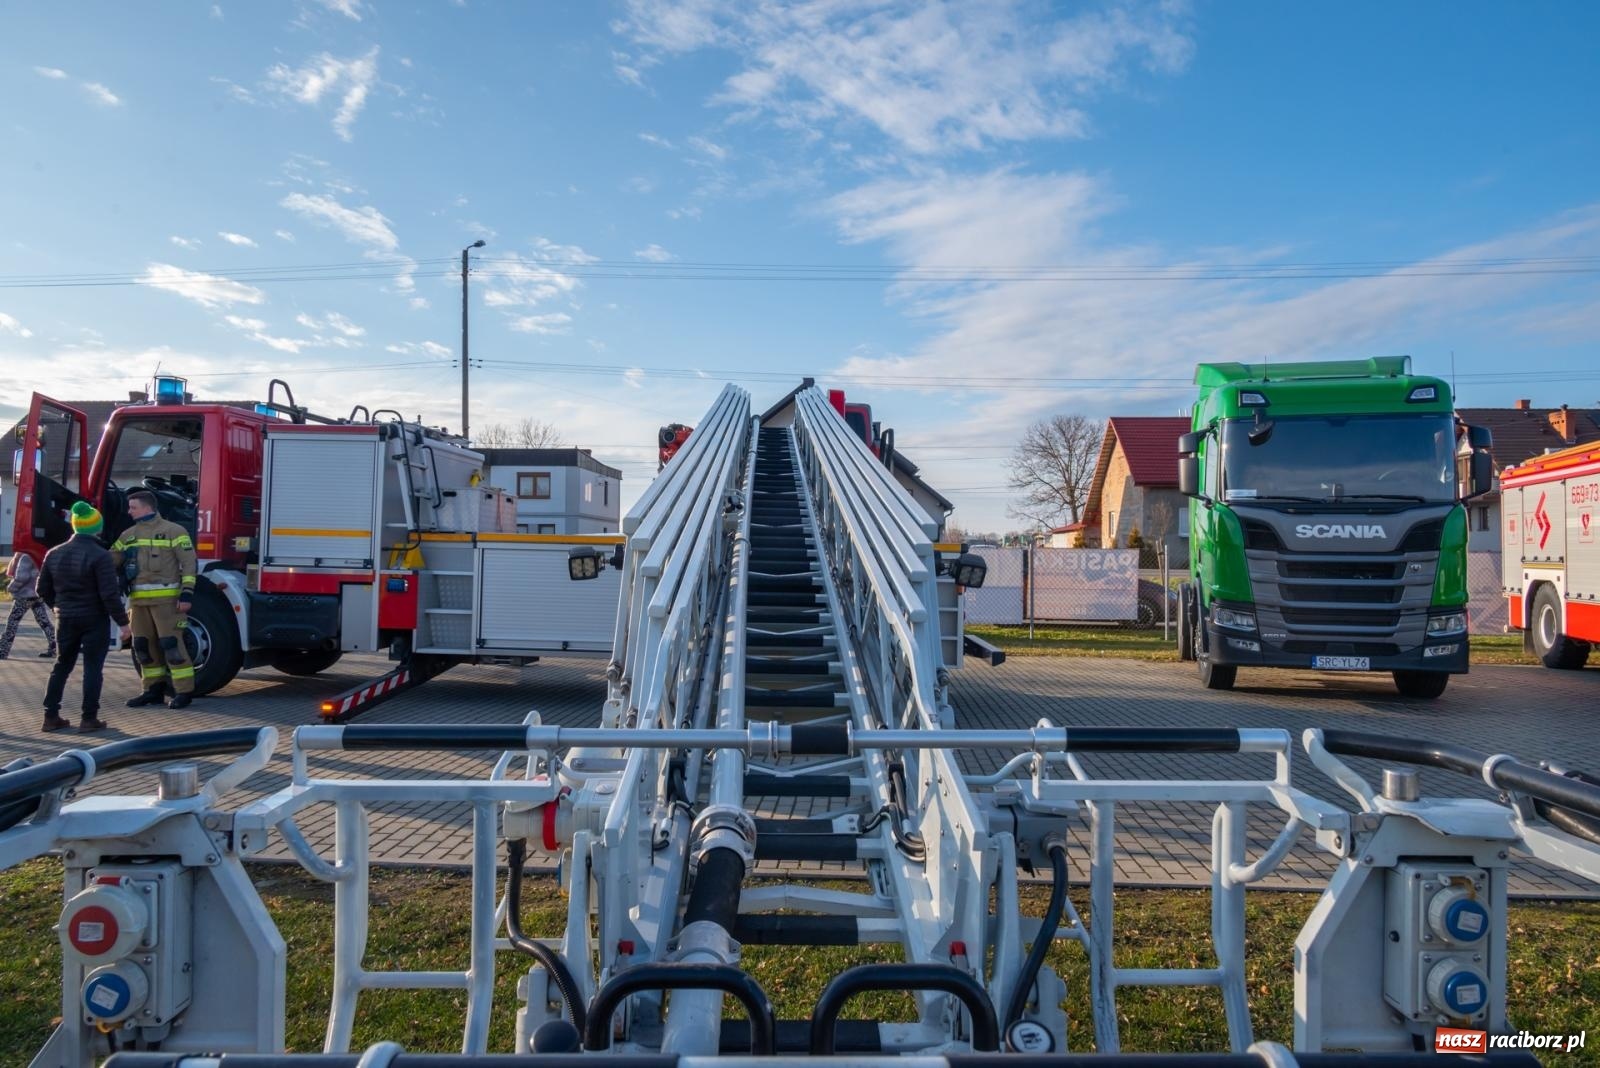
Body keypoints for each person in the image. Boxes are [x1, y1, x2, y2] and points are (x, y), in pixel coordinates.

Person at [38, 502, 130, 732]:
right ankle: (89, 719)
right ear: (97, 528)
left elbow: (42, 589)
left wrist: (57, 606)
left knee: (61, 665)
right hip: (93, 618)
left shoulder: (54, 553)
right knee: (92, 668)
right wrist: (123, 623)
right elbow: (109, 594)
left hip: (65, 617)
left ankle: (50, 716)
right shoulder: (100, 556)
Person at [111, 489, 199, 708]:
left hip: (167, 603)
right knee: (142, 647)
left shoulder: (174, 531)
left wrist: (187, 592)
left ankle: (184, 692)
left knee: (172, 646)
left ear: (147, 507)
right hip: (139, 604)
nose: (129, 512)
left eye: (133, 507)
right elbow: (110, 560)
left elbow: (189, 563)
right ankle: (152, 690)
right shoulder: (128, 535)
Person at [0, 550, 57, 660]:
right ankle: (54, 647)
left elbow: (22, 577)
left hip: (24, 596)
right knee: (44, 622)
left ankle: (3, 650)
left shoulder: (27, 557)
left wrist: (11, 588)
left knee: (12, 623)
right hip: (37, 595)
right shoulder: (40, 554)